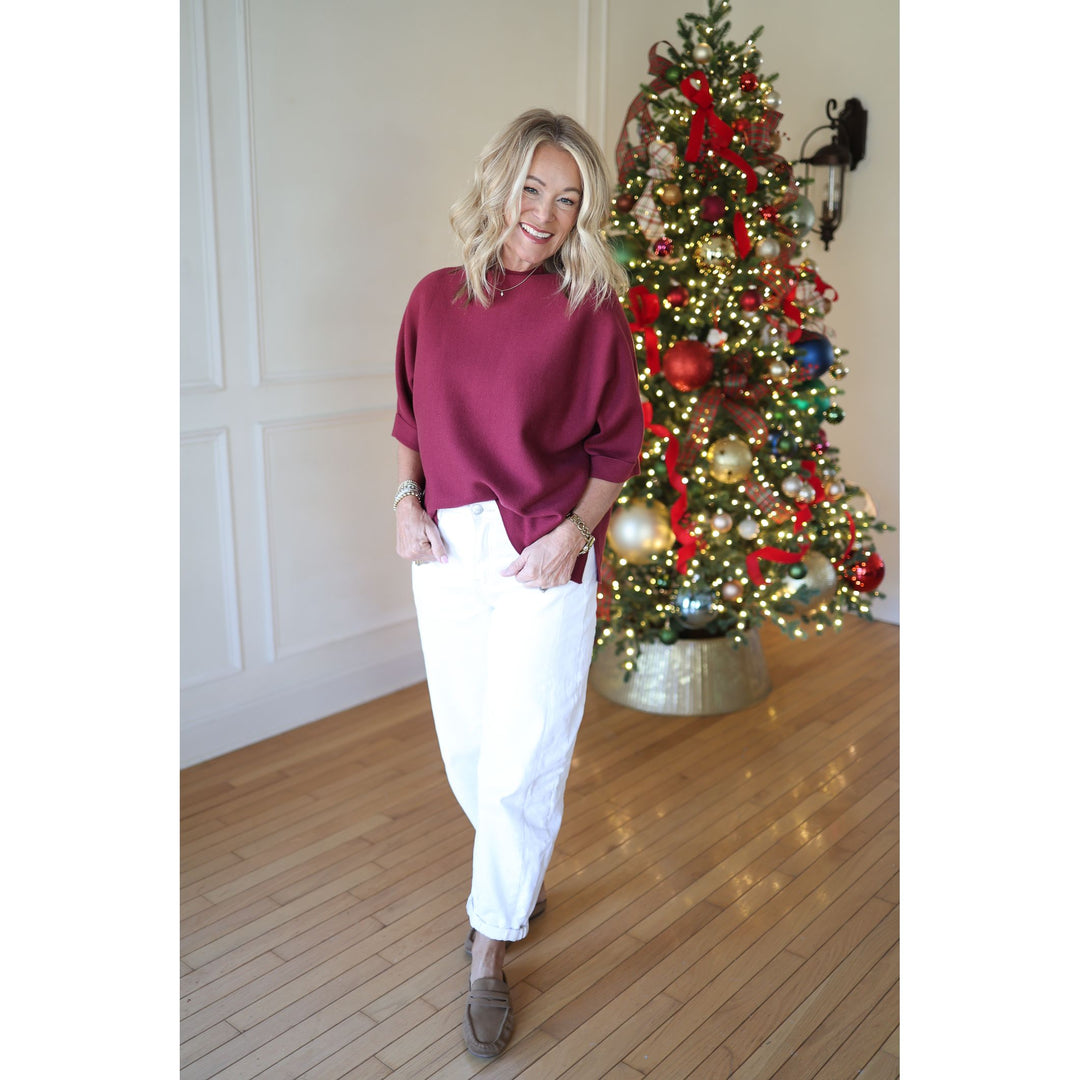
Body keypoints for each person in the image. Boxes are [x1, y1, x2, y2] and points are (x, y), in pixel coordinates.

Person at [391, 108, 644, 1059]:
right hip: (449, 553)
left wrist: (573, 536)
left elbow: (617, 448)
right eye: (534, 188)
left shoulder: (591, 313)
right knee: (470, 752)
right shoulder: (430, 299)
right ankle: (515, 874)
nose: (545, 213)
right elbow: (414, 422)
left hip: (546, 550)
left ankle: (489, 953)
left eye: (568, 199)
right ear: (499, 182)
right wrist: (405, 503)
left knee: (524, 755)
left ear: (583, 215)